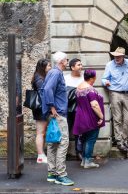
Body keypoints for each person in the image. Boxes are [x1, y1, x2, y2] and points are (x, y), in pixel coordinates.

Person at [41, 51, 74, 186]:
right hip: (58, 113)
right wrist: (52, 107)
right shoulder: (56, 73)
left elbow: (45, 88)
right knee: (62, 142)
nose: (67, 62)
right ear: (62, 61)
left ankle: (52, 173)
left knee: (53, 143)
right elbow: (47, 89)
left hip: (55, 112)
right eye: (66, 60)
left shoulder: (52, 72)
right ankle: (61, 175)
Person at [102, 47, 128, 153]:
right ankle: (120, 142)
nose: (116, 58)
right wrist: (106, 82)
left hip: (126, 93)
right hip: (114, 93)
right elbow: (104, 78)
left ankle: (124, 138)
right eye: (115, 56)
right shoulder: (110, 65)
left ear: (123, 57)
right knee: (118, 118)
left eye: (118, 56)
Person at [73, 69, 105, 169]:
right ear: (92, 78)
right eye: (95, 76)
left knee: (84, 139)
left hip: (80, 117)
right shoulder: (90, 90)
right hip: (90, 118)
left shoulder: (79, 87)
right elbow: (94, 105)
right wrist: (101, 116)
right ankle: (88, 161)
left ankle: (83, 161)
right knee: (91, 140)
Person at [31, 58, 51, 164]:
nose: (50, 67)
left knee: (42, 132)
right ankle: (40, 155)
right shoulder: (39, 78)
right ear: (43, 67)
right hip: (40, 108)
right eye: (48, 66)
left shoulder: (41, 76)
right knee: (40, 132)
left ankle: (42, 154)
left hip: (42, 108)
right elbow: (42, 92)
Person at [64, 58, 84, 160]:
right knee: (66, 130)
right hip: (67, 108)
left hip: (80, 108)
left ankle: (79, 152)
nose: (81, 67)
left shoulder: (84, 78)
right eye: (78, 65)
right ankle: (63, 152)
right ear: (72, 67)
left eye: (81, 65)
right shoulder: (65, 78)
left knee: (79, 131)